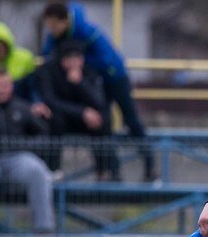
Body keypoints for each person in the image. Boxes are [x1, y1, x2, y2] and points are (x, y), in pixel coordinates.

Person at [41, 2, 156, 181]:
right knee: (103, 122)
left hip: (114, 78)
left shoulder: (87, 32)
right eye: (49, 25)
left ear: (64, 21)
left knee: (131, 119)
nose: (51, 30)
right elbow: (48, 54)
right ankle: (113, 171)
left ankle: (150, 166)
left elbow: (106, 59)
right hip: (94, 81)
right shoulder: (57, 36)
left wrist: (80, 65)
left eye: (54, 25)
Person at [0, 68, 55, 233]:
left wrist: (27, 146)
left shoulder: (22, 107)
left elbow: (42, 133)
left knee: (36, 168)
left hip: (15, 158)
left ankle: (44, 228)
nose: (1, 90)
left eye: (5, 85)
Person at [35, 40, 119, 180]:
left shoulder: (89, 71)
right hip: (61, 119)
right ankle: (52, 169)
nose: (74, 62)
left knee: (103, 117)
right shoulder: (47, 71)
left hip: (85, 122)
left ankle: (106, 170)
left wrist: (81, 83)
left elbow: (99, 102)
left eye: (77, 58)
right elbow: (50, 101)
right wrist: (82, 112)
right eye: (69, 58)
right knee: (52, 118)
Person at [0, 21, 38, 101]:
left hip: (20, 101)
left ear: (7, 46)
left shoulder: (24, 59)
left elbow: (33, 88)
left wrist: (37, 103)